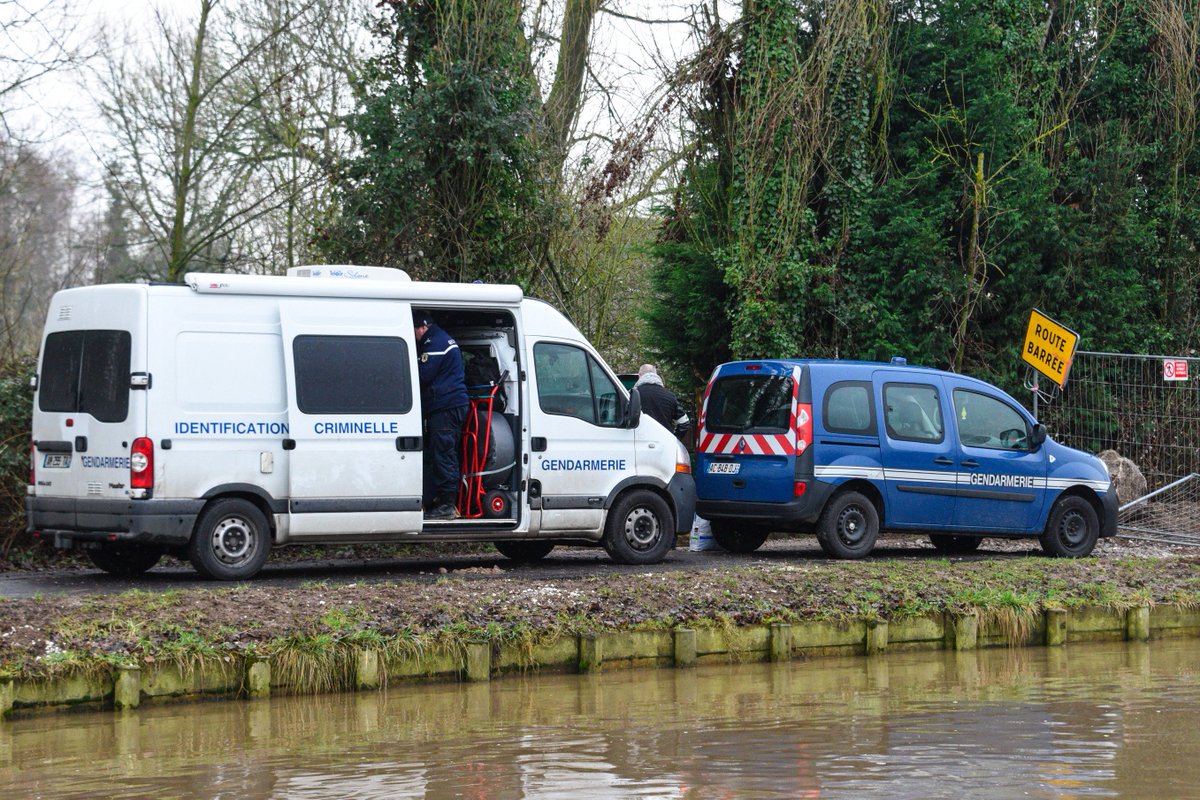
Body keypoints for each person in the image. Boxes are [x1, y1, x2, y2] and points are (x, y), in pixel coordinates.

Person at [414, 311, 469, 520]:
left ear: (422, 327)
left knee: (443, 453)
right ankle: (440, 499)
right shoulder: (439, 339)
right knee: (440, 452)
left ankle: (447, 505)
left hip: (446, 406)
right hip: (445, 405)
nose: (415, 336)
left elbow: (422, 375)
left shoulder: (435, 342)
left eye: (415, 331)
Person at [633, 364, 690, 439]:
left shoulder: (632, 395)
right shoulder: (670, 396)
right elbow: (684, 423)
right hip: (663, 443)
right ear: (656, 375)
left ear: (639, 376)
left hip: (639, 441)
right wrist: (674, 439)